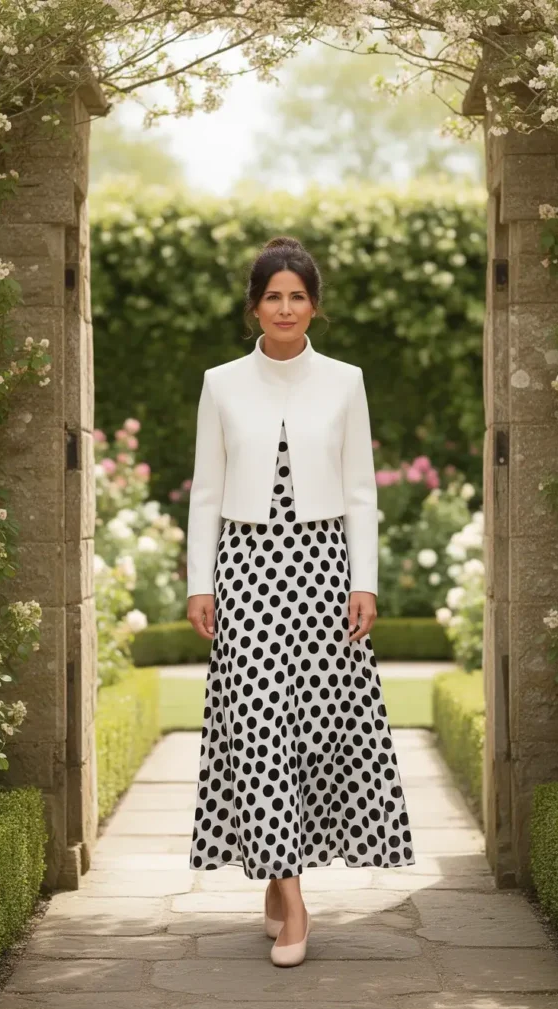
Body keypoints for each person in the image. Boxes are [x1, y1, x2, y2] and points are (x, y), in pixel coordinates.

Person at [186, 235, 414, 968]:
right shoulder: (220, 383)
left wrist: (365, 580)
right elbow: (207, 493)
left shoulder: (345, 381)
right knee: (256, 728)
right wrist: (200, 582)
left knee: (312, 734)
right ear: (254, 305)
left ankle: (276, 880)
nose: (285, 307)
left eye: (297, 295)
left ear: (313, 304)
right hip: (246, 575)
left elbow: (359, 492)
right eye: (272, 295)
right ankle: (295, 901)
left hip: (322, 575)